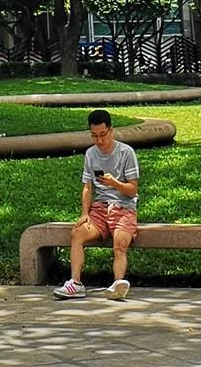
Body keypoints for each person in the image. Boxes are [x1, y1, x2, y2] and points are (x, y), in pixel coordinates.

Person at [53, 109, 140, 300]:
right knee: (77, 234)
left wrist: (115, 183)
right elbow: (87, 187)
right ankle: (75, 283)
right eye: (94, 136)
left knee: (120, 243)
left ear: (111, 131)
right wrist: (85, 213)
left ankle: (118, 284)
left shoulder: (127, 153)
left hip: (123, 207)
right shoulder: (90, 154)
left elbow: (133, 190)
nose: (99, 140)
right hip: (100, 208)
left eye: (103, 135)